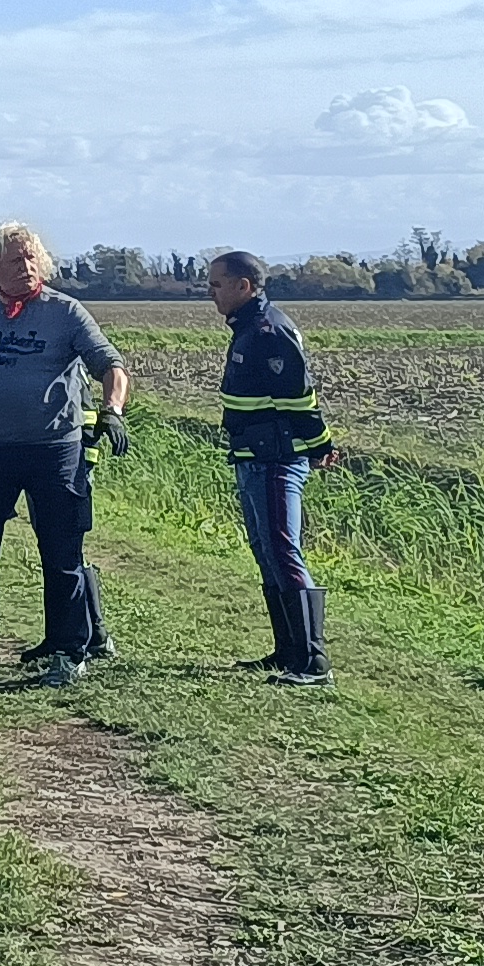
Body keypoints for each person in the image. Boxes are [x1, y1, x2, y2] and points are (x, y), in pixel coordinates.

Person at [0, 221, 128, 685]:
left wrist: (113, 409)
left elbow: (111, 366)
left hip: (55, 451)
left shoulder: (64, 312)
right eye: (13, 260)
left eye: (30, 258)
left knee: (61, 553)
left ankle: (68, 654)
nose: (25, 267)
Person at [208, 249, 333, 684]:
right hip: (252, 457)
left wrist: (321, 446)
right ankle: (287, 652)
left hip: (277, 458)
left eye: (217, 284)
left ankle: (313, 663)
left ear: (244, 286)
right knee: (267, 553)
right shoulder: (247, 328)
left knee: (284, 551)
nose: (211, 294)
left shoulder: (269, 331)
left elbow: (301, 399)